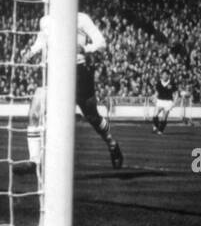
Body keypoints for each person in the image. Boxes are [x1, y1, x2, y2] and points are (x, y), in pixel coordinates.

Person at [16, 11, 123, 174]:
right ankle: (34, 161)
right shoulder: (45, 20)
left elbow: (101, 42)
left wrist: (85, 48)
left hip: (78, 72)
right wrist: (30, 52)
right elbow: (41, 41)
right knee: (34, 112)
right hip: (52, 70)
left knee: (92, 116)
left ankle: (112, 144)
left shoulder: (81, 18)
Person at [152, 70, 177, 134]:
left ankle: (160, 130)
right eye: (163, 74)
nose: (164, 76)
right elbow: (157, 92)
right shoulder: (159, 83)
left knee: (164, 116)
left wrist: (174, 102)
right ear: (161, 75)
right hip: (160, 100)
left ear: (168, 75)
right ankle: (156, 126)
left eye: (166, 74)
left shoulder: (172, 83)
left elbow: (176, 93)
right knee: (155, 116)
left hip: (168, 101)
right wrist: (154, 98)